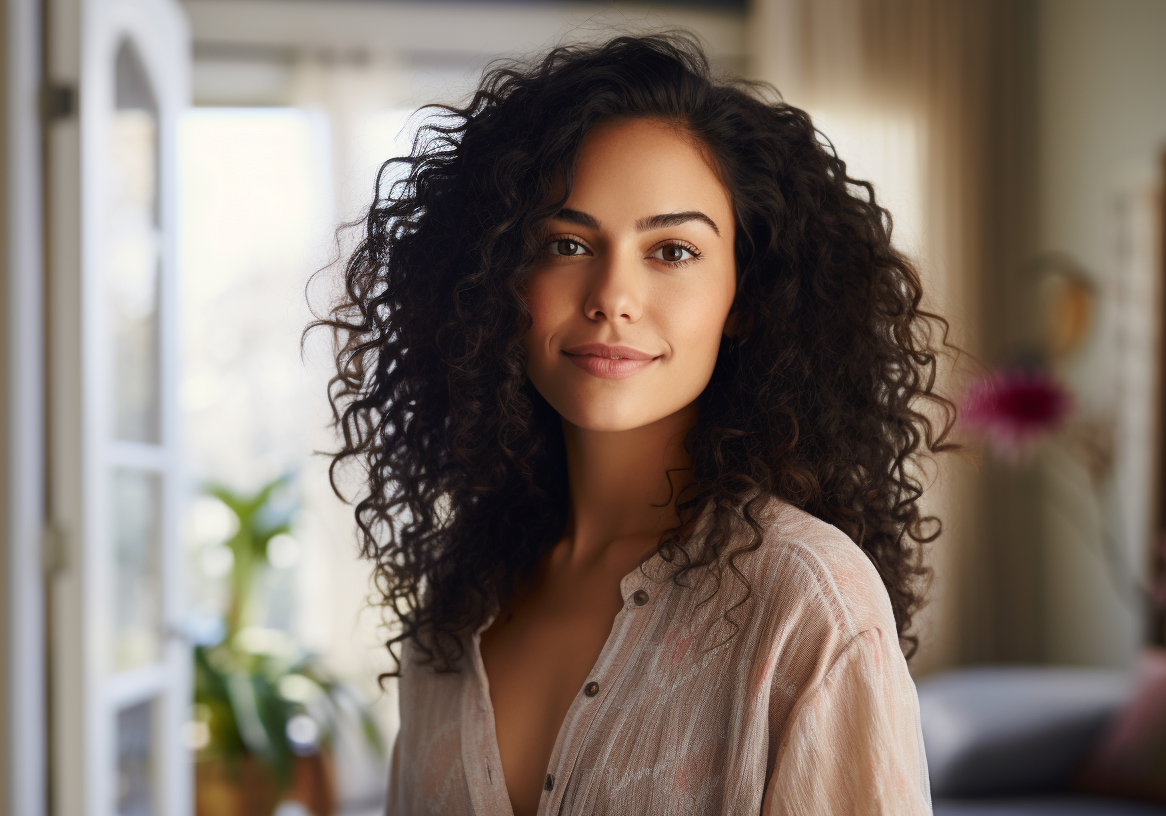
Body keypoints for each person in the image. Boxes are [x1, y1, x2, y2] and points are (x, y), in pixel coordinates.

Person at [313, 32, 951, 816]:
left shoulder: (809, 602)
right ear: (497, 283)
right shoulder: (454, 612)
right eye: (568, 243)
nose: (612, 295)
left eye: (673, 251)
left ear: (745, 298)